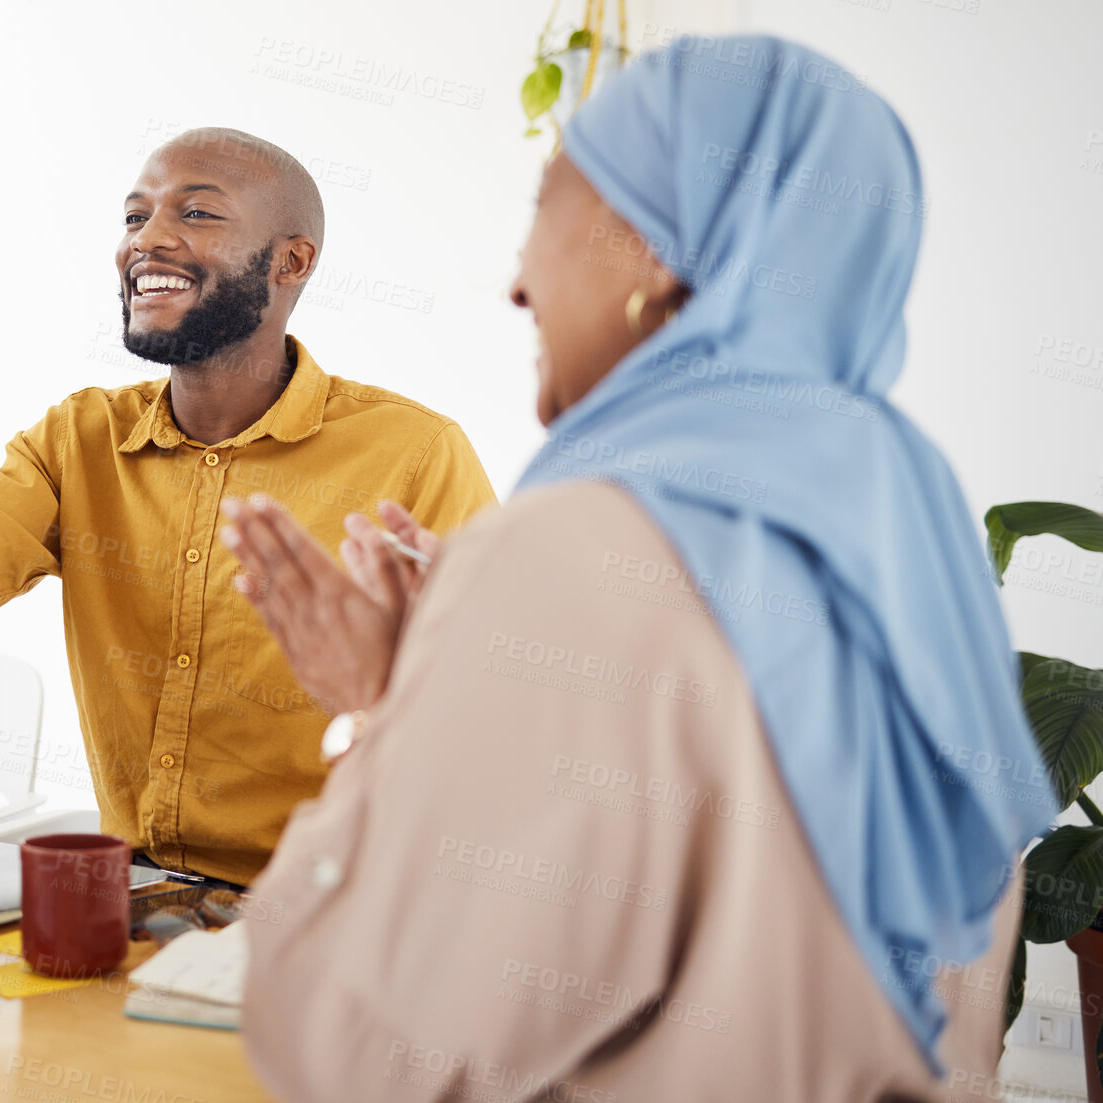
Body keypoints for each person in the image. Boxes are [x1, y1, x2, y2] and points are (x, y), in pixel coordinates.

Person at [225, 36, 1056, 1101]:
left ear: (652, 247)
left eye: (545, 207)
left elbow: (362, 1048)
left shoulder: (575, 546)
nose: (515, 282)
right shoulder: (916, 523)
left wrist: (380, 715)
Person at [0, 128, 497, 887]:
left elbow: (494, 715)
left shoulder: (414, 456)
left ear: (291, 260)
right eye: (135, 216)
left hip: (330, 908)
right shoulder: (83, 438)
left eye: (197, 212)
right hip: (133, 902)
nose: (147, 239)